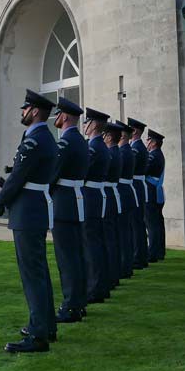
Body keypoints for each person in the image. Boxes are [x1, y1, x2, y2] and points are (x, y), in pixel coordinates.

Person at [0, 90, 59, 354]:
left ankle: (39, 334)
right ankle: (45, 325)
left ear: (33, 111)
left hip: (27, 211)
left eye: (24, 109)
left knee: (32, 274)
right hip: (35, 208)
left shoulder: (35, 140)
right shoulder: (45, 138)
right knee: (38, 271)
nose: (22, 113)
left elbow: (19, 175)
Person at [50, 97, 89, 323]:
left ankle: (71, 306)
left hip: (63, 203)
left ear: (64, 116)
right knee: (76, 255)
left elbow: (53, 173)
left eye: (58, 114)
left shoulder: (65, 143)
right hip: (75, 200)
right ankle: (79, 302)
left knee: (67, 258)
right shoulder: (81, 141)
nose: (56, 117)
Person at [82, 108, 112, 304]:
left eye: (86, 122)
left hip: (90, 197)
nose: (84, 126)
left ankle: (95, 288)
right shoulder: (99, 146)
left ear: (93, 125)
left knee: (90, 243)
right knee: (96, 242)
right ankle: (100, 285)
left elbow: (83, 171)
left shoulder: (94, 147)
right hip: (95, 196)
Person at [102, 121, 125, 287]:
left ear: (109, 137)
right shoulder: (116, 152)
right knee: (112, 236)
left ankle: (111, 275)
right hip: (111, 194)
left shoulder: (111, 153)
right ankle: (114, 273)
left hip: (107, 195)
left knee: (108, 238)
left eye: (104, 135)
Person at [128, 118, 150, 270]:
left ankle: (138, 257)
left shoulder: (136, 149)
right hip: (138, 185)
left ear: (134, 131)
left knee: (136, 224)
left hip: (135, 185)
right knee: (138, 224)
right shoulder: (139, 147)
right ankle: (141, 256)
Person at [116, 125, 137, 277]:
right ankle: (127, 265)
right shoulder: (127, 151)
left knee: (122, 233)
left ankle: (124, 266)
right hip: (126, 191)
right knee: (126, 232)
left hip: (122, 192)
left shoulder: (123, 152)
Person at [145, 129, 167, 262]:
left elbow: (144, 169)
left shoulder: (154, 156)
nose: (146, 142)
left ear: (153, 143)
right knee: (157, 223)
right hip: (155, 191)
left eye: (148, 140)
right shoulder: (157, 154)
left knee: (152, 224)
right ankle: (159, 251)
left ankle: (153, 252)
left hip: (151, 191)